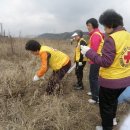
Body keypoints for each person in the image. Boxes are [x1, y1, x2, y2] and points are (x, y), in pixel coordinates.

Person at [81, 9, 130, 130]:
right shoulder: (128, 35)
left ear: (110, 25)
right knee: (113, 101)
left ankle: (106, 127)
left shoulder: (111, 39)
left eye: (105, 26)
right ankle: (112, 120)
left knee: (106, 106)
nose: (104, 29)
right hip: (126, 79)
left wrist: (89, 53)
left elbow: (105, 62)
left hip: (111, 81)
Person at [86, 18, 104, 104]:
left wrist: (86, 52)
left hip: (96, 60)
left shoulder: (96, 35)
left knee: (93, 78)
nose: (87, 27)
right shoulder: (95, 34)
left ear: (93, 25)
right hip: (96, 59)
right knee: (93, 77)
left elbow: (94, 49)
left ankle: (95, 98)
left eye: (89, 25)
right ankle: (94, 92)